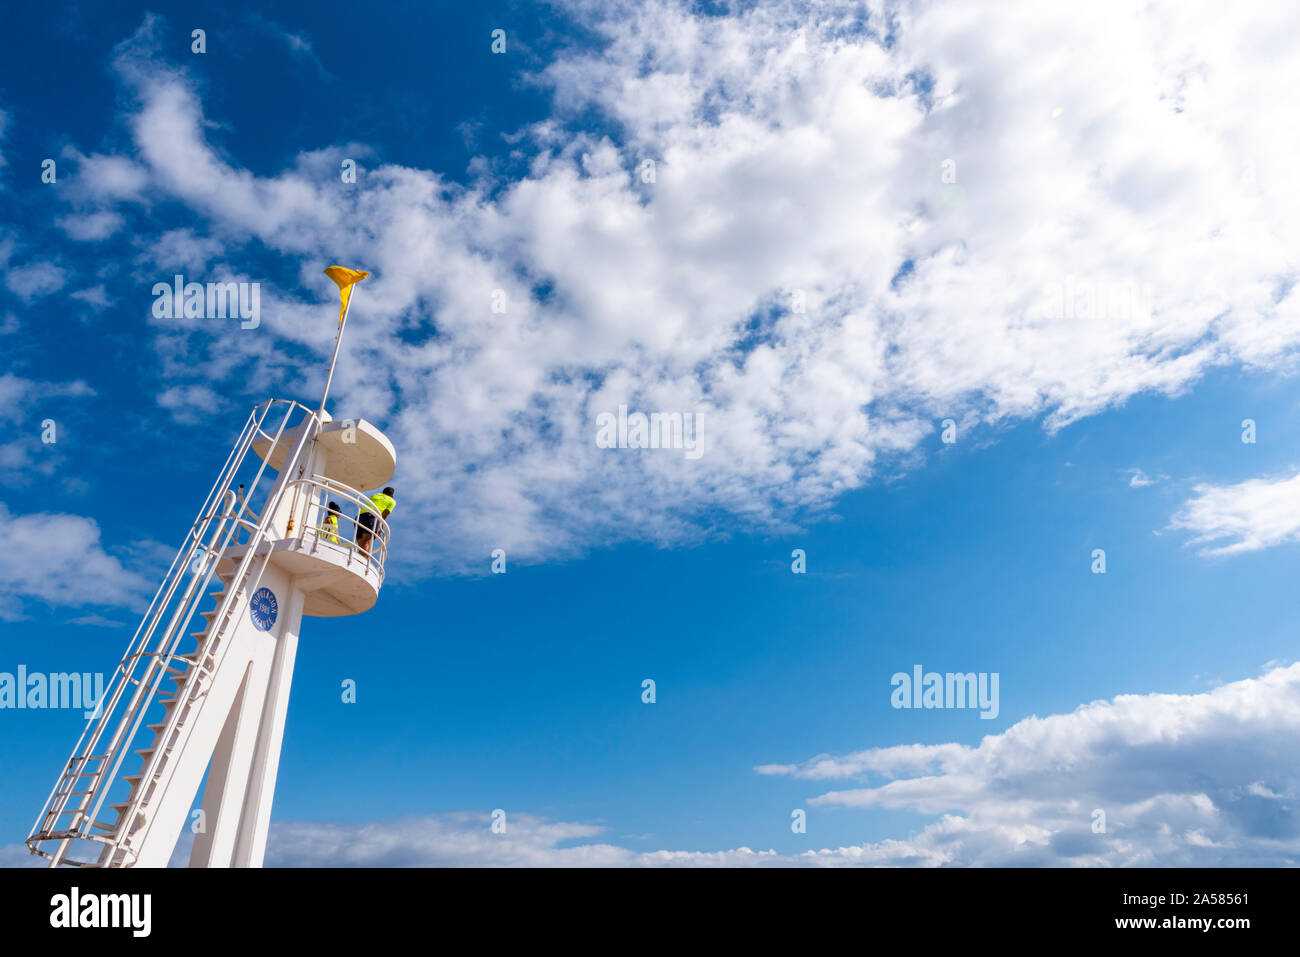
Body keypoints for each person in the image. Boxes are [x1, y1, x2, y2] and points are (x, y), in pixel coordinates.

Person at [356, 486, 395, 558]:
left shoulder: (376, 495)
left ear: (383, 492)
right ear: (392, 496)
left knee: (361, 542)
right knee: (367, 541)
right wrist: (380, 528)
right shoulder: (391, 501)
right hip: (372, 517)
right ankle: (363, 561)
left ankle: (360, 558)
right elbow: (384, 515)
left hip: (360, 516)